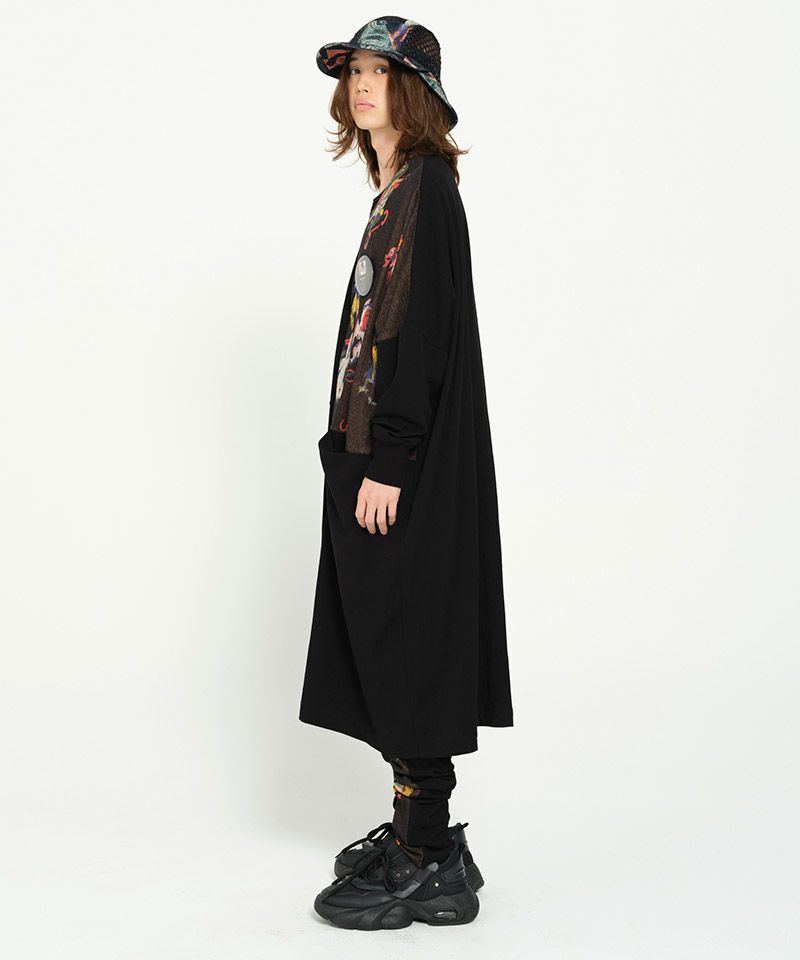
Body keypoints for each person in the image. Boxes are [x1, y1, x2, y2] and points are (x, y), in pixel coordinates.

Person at [299, 16, 514, 931]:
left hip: (401, 465)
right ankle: (420, 835)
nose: (362, 83)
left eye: (381, 71)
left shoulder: (424, 189)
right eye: (354, 70)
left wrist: (389, 458)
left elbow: (416, 335)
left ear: (415, 90)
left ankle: (429, 858)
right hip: (373, 457)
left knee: (412, 642)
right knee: (388, 643)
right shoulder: (397, 191)